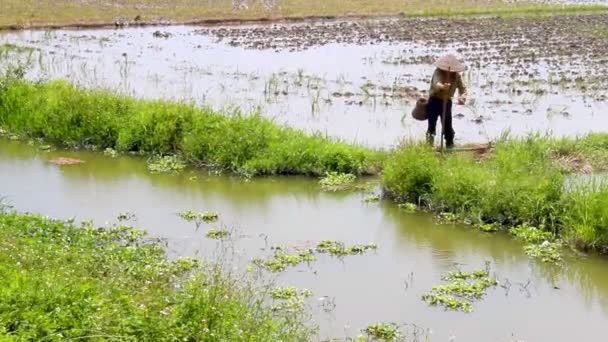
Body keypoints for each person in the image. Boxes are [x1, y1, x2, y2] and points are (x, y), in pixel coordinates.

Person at [427, 54, 467, 149]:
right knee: (432, 125)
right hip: (434, 101)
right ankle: (429, 147)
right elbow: (436, 83)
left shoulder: (456, 76)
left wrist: (462, 97)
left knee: (447, 126)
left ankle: (449, 147)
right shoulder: (438, 72)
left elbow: (463, 89)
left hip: (447, 102)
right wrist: (443, 87)